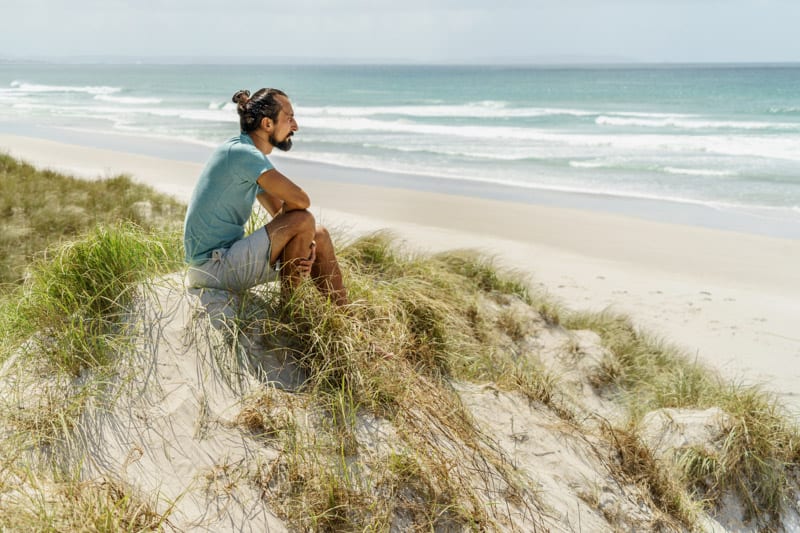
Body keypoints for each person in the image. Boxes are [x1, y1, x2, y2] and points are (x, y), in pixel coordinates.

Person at [184, 88, 347, 307]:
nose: (295, 126)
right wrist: (301, 235)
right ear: (267, 124)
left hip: (223, 260)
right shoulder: (243, 154)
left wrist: (307, 244)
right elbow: (301, 202)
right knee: (303, 219)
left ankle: (345, 316)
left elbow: (280, 214)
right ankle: (290, 314)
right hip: (211, 268)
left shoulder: (243, 152)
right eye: (289, 119)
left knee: (320, 234)